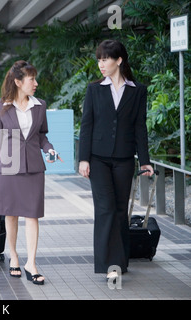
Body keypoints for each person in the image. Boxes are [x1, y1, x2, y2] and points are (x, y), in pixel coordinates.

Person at [78, 40, 154, 279]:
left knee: (120, 210)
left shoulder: (137, 90)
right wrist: (83, 159)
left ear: (118, 60)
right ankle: (109, 264)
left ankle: (120, 262)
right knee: (106, 209)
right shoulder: (94, 89)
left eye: (105, 59)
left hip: (124, 159)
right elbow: (87, 125)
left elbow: (140, 127)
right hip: (97, 159)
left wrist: (145, 160)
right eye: (99, 59)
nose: (101, 64)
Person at [0, 60, 61, 285]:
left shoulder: (40, 105)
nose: (36, 83)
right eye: (32, 79)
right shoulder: (0, 106)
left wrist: (49, 149)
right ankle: (14, 256)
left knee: (32, 215)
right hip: (8, 168)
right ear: (18, 82)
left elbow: (41, 136)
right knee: (11, 214)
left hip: (33, 167)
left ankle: (31, 262)